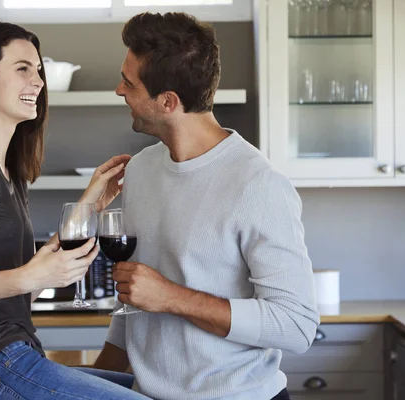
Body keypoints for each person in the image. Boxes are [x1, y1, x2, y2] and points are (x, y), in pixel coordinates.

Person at [0, 19, 150, 400]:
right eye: (22, 69)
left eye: (38, 70)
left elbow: (25, 282)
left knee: (156, 391)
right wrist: (27, 276)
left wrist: (90, 202)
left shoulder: (6, 169)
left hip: (14, 356)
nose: (38, 82)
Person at [91, 12, 320, 400]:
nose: (119, 90)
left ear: (167, 101)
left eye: (129, 83)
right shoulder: (144, 168)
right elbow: (137, 297)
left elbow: (297, 326)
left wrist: (171, 297)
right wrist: (94, 383)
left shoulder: (258, 185)